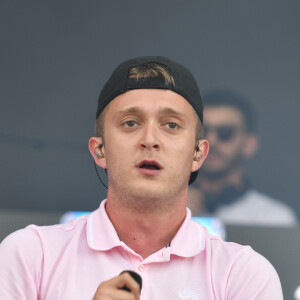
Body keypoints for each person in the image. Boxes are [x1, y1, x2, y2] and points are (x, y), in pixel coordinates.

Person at [0, 57, 283, 299]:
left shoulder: (243, 273)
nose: (150, 140)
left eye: (171, 125)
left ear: (198, 154)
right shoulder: (30, 255)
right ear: (100, 150)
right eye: (130, 123)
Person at [187, 90, 297, 226]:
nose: (211, 140)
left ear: (249, 145)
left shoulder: (275, 219)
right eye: (202, 131)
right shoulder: (169, 211)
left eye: (225, 132)